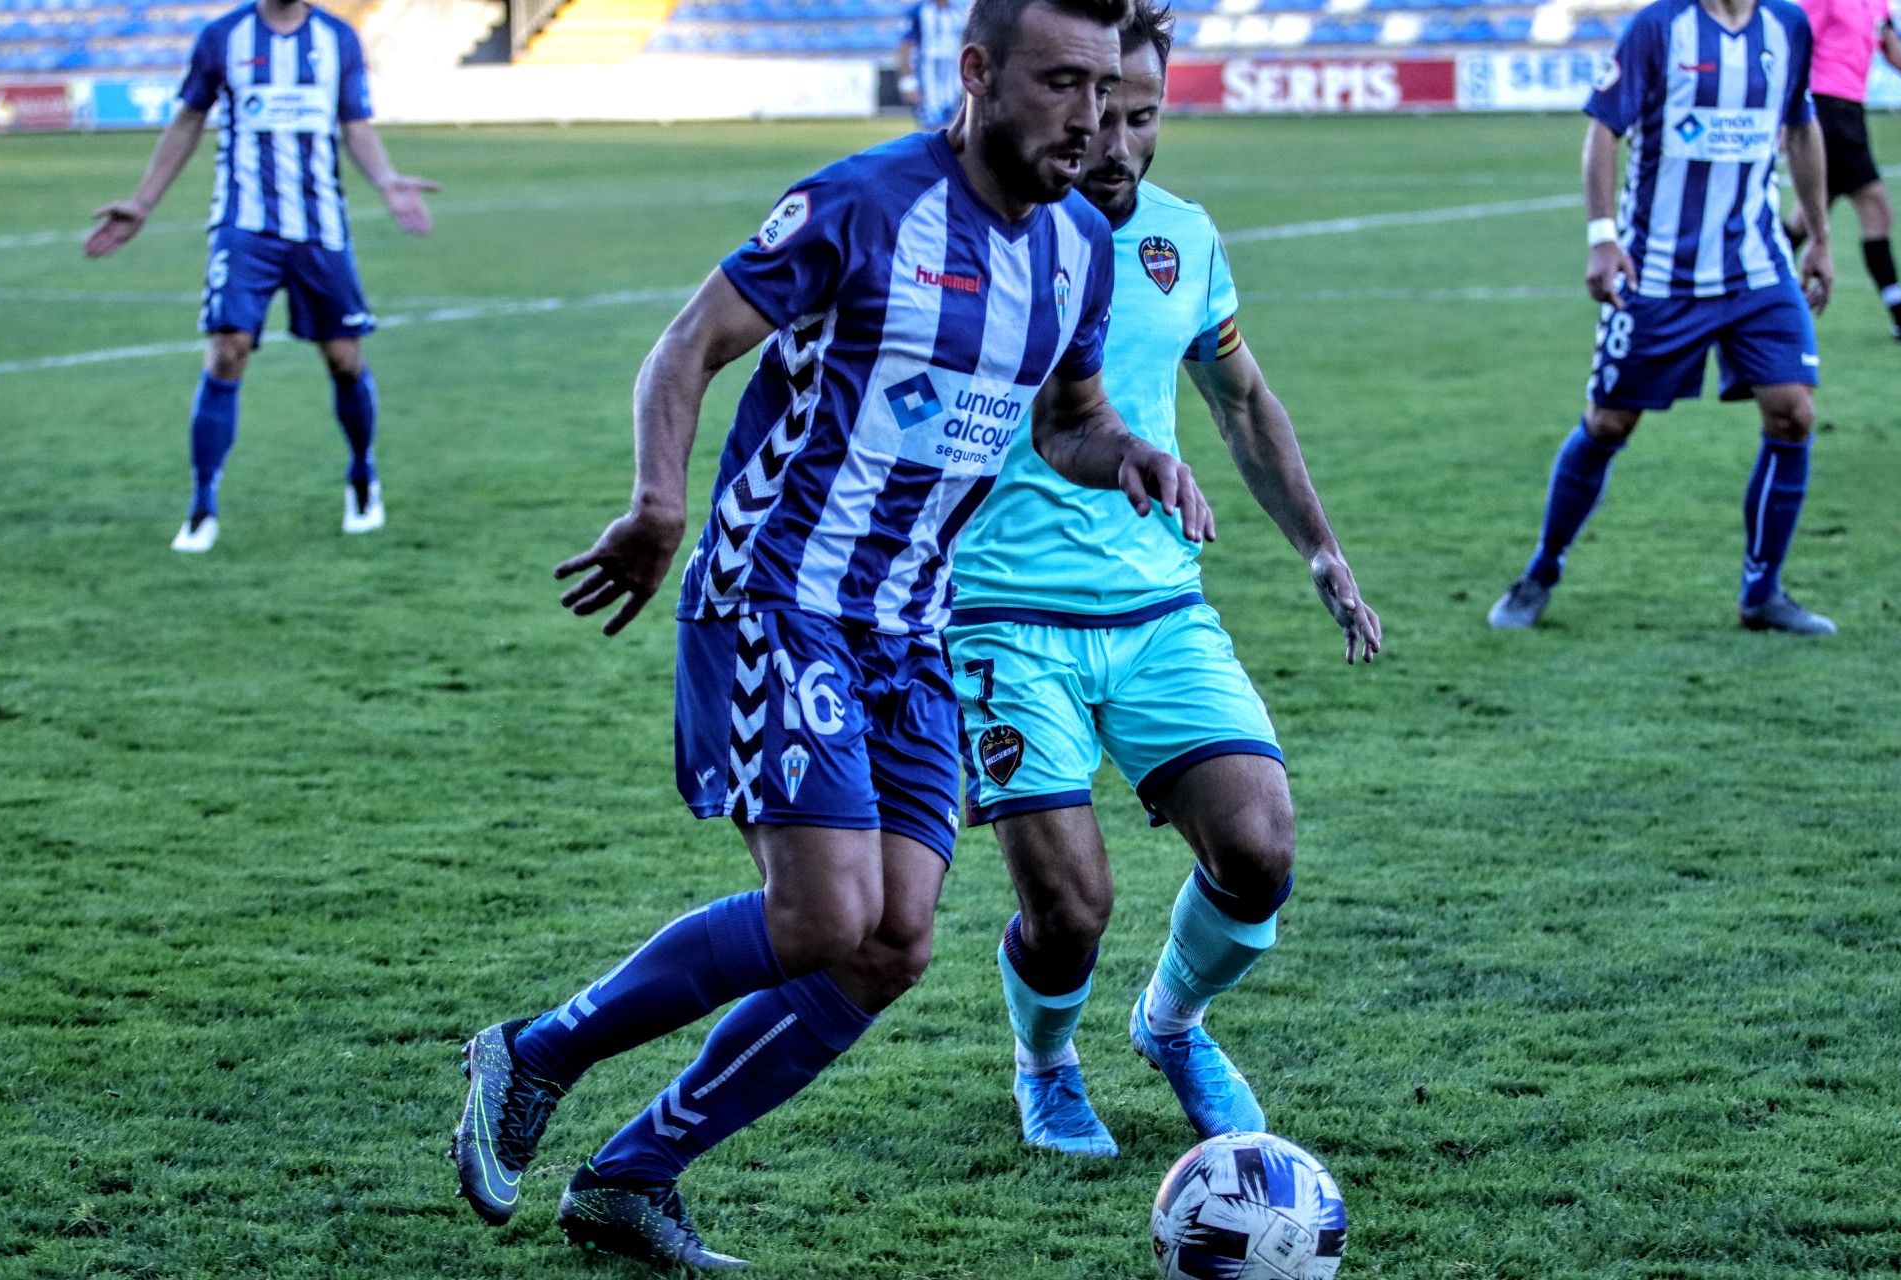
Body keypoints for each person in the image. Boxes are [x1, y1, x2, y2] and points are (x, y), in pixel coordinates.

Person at [451, 0, 1215, 1266]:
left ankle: (633, 1173)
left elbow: (1067, 418)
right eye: (1059, 83)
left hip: (912, 626)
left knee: (894, 941)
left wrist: (1126, 452)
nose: (1087, 117)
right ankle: (530, 1054)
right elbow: (687, 346)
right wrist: (656, 496)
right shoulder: (863, 205)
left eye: (1104, 88)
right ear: (976, 75)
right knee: (819, 917)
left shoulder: (1082, 247)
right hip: (777, 594)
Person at [944, 1, 1380, 1160]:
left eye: (1144, 116)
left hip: (1156, 604)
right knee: (1072, 906)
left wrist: (1321, 549)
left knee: (1259, 847)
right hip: (1001, 612)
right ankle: (1046, 1062)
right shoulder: (976, 232)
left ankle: (1173, 1023)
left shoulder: (1182, 237)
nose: (1120, 143)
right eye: (1098, 112)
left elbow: (1239, 397)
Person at [1487, 0, 1838, 635]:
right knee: (1610, 421)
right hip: (1658, 274)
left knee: (1794, 413)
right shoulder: (1658, 27)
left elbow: (1803, 126)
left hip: (1757, 268)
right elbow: (1603, 129)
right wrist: (1602, 237)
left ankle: (1762, 592)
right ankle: (1541, 569)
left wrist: (1818, 234)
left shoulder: (1787, 27)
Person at [83, 0, 438, 554]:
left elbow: (355, 125)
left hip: (320, 228)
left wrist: (388, 180)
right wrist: (142, 204)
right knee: (228, 350)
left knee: (345, 360)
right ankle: (203, 505)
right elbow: (187, 121)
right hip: (243, 226)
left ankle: (362, 476)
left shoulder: (337, 39)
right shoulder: (222, 37)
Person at [1783, 0, 1901, 339]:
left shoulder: (1878, 5)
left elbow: (1893, 50)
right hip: (1825, 107)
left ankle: (1747, 288)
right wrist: (1787, 115)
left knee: (1809, 214)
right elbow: (1794, 45)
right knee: (1875, 205)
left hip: (1850, 111)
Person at [899, 0, 971, 128]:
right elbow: (905, 47)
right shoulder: (919, 12)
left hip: (953, 85)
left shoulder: (959, 12)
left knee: (955, 131)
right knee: (932, 133)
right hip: (927, 87)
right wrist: (908, 84)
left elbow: (965, 45)